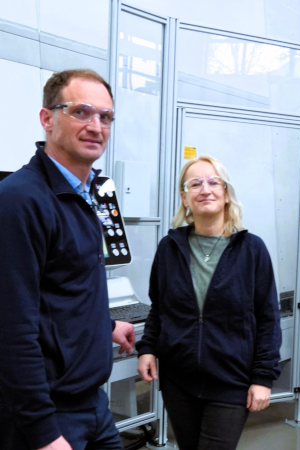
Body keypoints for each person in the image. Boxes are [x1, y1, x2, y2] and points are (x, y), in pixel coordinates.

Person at [0, 69, 136, 450]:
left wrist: (105, 324)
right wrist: (44, 433)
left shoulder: (83, 194)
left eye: (105, 117)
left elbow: (65, 287)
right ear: (48, 118)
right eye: (81, 112)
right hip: (49, 415)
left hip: (93, 403)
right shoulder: (19, 201)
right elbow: (11, 329)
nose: (96, 126)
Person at [137, 156, 282, 450]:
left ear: (226, 194)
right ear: (184, 197)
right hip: (179, 380)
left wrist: (263, 378)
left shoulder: (252, 250)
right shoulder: (170, 248)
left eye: (214, 182)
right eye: (195, 183)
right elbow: (159, 307)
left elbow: (268, 318)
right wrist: (148, 349)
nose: (206, 189)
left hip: (231, 380)